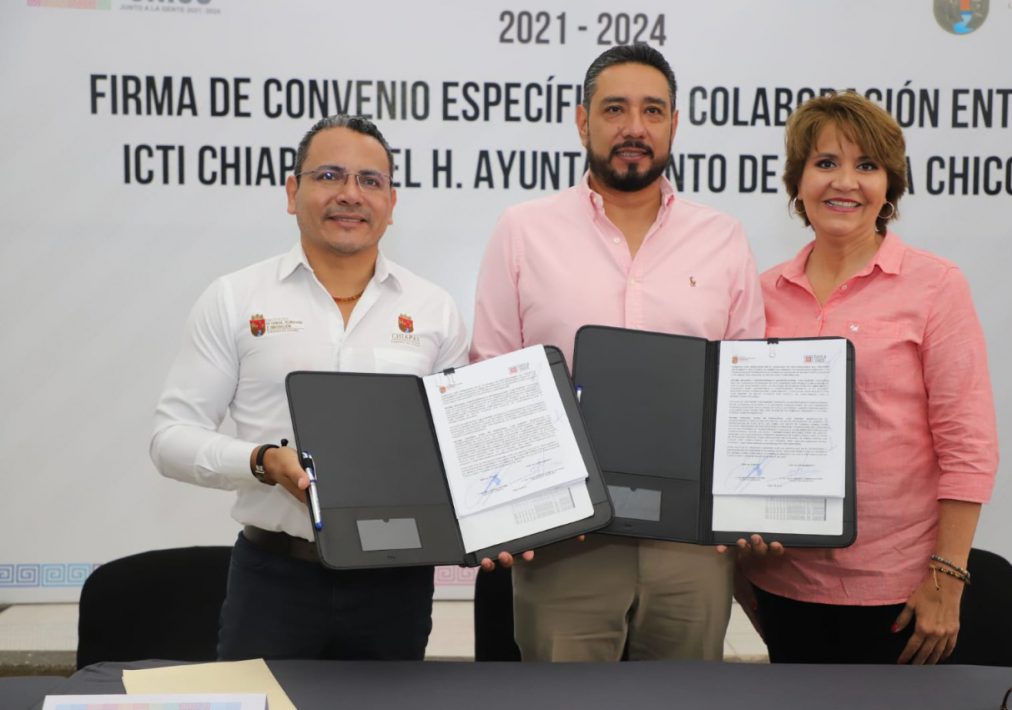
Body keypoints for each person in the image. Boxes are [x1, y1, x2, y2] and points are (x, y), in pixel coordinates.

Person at [470, 44, 766, 662]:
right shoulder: (523, 230)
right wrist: (506, 515)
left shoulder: (723, 238)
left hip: (690, 545)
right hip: (564, 540)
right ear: (583, 121)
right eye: (614, 109)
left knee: (683, 700)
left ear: (674, 124)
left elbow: (748, 392)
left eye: (652, 111)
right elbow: (490, 375)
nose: (635, 127)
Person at [149, 114, 467, 661]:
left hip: (396, 583)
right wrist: (263, 461)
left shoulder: (434, 310)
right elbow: (170, 439)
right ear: (292, 191)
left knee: (391, 706)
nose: (350, 195)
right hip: (274, 581)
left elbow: (458, 451)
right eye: (329, 176)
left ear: (391, 202)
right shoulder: (235, 299)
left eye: (370, 181)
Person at [741, 91, 998, 665]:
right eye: (825, 163)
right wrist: (739, 561)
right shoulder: (760, 294)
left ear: (889, 186)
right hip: (782, 584)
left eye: (866, 165)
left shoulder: (936, 286)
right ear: (798, 181)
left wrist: (947, 578)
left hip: (900, 591)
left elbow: (968, 445)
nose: (845, 182)